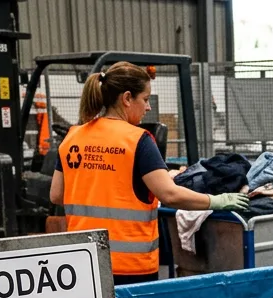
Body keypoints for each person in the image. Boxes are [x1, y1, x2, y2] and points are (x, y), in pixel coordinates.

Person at [51, 62, 248, 283]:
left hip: (85, 262)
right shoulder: (137, 140)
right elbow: (169, 194)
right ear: (126, 98)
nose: (148, 107)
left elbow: (56, 195)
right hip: (130, 267)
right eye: (145, 99)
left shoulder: (73, 136)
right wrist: (216, 201)